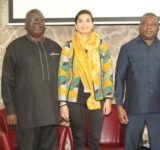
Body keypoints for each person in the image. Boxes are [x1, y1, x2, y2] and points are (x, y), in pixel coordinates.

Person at [1, 9, 61, 150]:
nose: (38, 23)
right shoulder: (14, 48)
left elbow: (64, 81)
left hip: (51, 115)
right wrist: (10, 110)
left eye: (41, 20)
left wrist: (62, 107)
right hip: (26, 115)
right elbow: (7, 81)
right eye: (34, 19)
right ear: (26, 24)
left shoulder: (55, 48)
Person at [58, 9, 113, 150]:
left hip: (97, 96)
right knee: (78, 136)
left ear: (93, 24)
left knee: (95, 137)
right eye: (80, 21)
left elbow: (107, 72)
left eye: (88, 20)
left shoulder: (101, 45)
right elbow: (62, 75)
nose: (84, 24)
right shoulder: (69, 46)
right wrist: (62, 103)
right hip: (74, 97)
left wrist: (108, 98)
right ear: (76, 25)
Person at [115, 12, 160, 150]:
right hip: (133, 109)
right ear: (139, 26)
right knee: (130, 146)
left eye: (153, 24)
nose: (148, 27)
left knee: (158, 146)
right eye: (145, 23)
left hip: (158, 109)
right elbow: (119, 77)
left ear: (158, 28)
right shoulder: (127, 48)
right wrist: (119, 105)